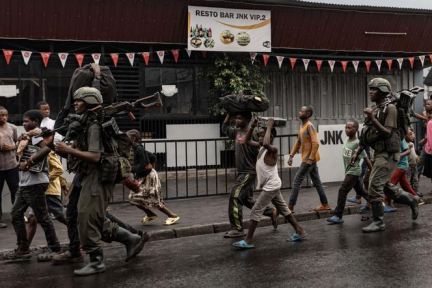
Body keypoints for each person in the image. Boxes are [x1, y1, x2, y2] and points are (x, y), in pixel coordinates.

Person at [52, 87, 145, 276]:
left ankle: (97, 261)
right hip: (88, 174)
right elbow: (81, 153)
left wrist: (68, 150)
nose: (75, 103)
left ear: (89, 102)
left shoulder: (94, 124)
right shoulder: (85, 122)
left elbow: (94, 156)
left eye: (79, 100)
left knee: (87, 217)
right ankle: (130, 238)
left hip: (98, 174)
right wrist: (57, 147)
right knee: (87, 217)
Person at [351, 78, 419, 233]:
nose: (370, 92)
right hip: (379, 153)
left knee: (374, 185)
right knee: (387, 187)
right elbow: (368, 134)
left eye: (374, 89)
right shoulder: (376, 109)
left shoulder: (390, 109)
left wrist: (372, 118)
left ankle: (378, 222)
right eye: (370, 89)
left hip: (388, 154)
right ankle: (412, 200)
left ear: (382, 91)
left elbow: (387, 132)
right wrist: (357, 151)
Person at [232, 118, 307, 249]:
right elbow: (247, 141)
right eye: (259, 136)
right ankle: (300, 231)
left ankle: (248, 241)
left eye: (262, 135)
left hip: (271, 186)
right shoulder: (261, 147)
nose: (260, 138)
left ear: (271, 137)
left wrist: (269, 126)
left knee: (256, 210)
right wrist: (252, 127)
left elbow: (266, 142)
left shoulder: (273, 149)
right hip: (272, 185)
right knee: (284, 209)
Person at [6, 110, 61, 260]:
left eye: (26, 121)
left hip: (36, 183)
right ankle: (23, 249)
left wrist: (29, 162)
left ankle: (55, 248)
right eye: (23, 121)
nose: (24, 124)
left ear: (36, 122)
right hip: (25, 183)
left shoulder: (37, 135)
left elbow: (47, 148)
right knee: (16, 214)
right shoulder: (29, 136)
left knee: (42, 217)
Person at [221, 113, 277, 238]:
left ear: (246, 120)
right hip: (241, 171)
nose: (236, 120)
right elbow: (224, 128)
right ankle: (271, 212)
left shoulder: (254, 133)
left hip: (249, 171)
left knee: (235, 196)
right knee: (246, 199)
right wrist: (230, 113)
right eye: (236, 117)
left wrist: (266, 126)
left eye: (239, 118)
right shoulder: (237, 132)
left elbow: (267, 141)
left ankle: (237, 228)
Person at [127, 129, 180, 226]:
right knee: (133, 198)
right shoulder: (137, 148)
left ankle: (172, 215)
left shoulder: (138, 149)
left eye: (127, 137)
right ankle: (150, 214)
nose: (125, 140)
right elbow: (153, 157)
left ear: (133, 139)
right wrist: (150, 169)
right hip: (146, 176)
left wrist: (131, 169)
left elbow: (143, 164)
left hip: (149, 178)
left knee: (153, 199)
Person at [327, 120, 372, 224]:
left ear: (356, 130)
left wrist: (371, 169)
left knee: (342, 191)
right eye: (346, 127)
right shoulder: (347, 140)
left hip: (354, 171)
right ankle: (378, 202)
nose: (346, 130)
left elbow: (366, 158)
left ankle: (338, 215)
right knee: (361, 192)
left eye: (349, 128)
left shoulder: (357, 143)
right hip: (349, 171)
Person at [287, 106, 331, 212]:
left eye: (302, 111)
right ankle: (325, 204)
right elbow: (298, 142)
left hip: (308, 159)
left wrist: (310, 159)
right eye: (300, 110)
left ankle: (290, 206)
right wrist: (291, 155)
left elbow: (315, 143)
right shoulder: (302, 126)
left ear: (307, 114)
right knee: (317, 182)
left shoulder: (309, 126)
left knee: (297, 180)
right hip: (309, 159)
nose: (299, 112)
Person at [26, 151, 68, 249]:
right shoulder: (36, 150)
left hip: (50, 191)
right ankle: (24, 248)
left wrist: (45, 179)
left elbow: (58, 169)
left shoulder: (47, 151)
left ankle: (80, 237)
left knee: (61, 216)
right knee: (32, 219)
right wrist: (63, 184)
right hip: (40, 191)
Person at [389, 139, 425, 207]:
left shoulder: (401, 139)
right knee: (405, 186)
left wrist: (399, 155)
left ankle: (386, 203)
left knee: (390, 184)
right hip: (397, 165)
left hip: (401, 165)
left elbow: (408, 151)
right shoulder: (391, 138)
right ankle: (417, 199)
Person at [0, 106, 19, 228]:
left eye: (6, 115)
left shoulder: (12, 127)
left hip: (12, 165)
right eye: (1, 115)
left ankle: (18, 215)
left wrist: (12, 148)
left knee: (16, 191)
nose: (4, 117)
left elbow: (19, 143)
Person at [405, 129, 421, 197]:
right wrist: (407, 147)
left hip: (414, 164)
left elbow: (413, 153)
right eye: (410, 134)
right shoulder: (404, 144)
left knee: (415, 178)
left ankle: (416, 190)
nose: (412, 136)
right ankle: (409, 192)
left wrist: (417, 157)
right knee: (408, 179)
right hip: (408, 165)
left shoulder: (412, 144)